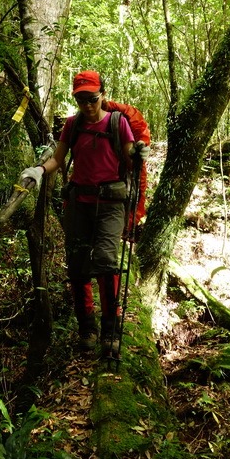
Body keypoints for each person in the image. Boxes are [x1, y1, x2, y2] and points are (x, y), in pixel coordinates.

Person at [20, 70, 149, 358]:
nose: (88, 105)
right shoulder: (72, 125)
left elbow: (129, 156)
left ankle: (110, 329)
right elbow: (58, 158)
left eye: (92, 98)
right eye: (81, 100)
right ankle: (86, 328)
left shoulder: (118, 123)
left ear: (102, 94)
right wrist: (39, 171)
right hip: (79, 203)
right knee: (77, 266)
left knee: (105, 261)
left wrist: (138, 153)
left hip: (111, 205)